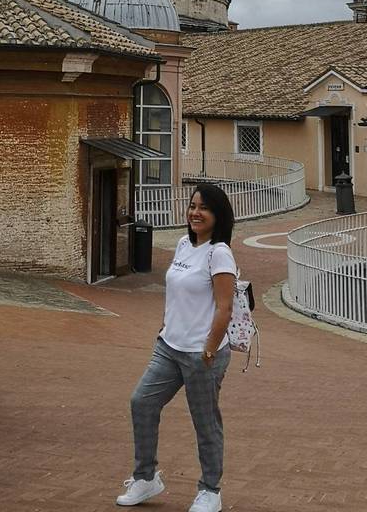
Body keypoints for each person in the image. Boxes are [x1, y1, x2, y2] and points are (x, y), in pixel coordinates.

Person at [117, 184, 237, 512]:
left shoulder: (219, 252)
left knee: (204, 421)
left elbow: (224, 308)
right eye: (192, 206)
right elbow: (176, 291)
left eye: (204, 208)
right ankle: (146, 478)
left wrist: (209, 351)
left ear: (218, 215)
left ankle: (210, 490)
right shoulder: (184, 244)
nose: (195, 213)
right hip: (169, 346)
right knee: (142, 402)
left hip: (202, 353)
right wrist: (164, 325)